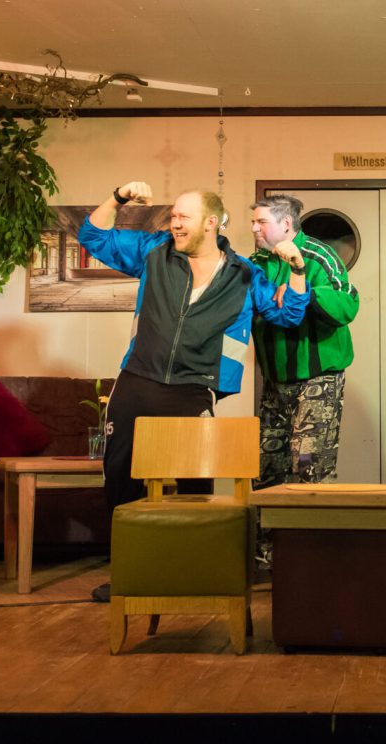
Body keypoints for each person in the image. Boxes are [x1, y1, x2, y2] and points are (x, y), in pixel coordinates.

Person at [78, 183, 311, 602]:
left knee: (194, 485)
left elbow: (288, 314)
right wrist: (117, 196)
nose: (175, 223)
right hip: (138, 380)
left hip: (195, 388)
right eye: (173, 216)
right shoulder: (154, 252)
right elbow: (92, 236)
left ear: (210, 223)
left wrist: (296, 269)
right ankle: (130, 573)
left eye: (183, 216)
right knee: (121, 481)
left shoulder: (243, 274)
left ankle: (189, 573)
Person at [246, 195, 359, 559]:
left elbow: (347, 305)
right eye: (253, 222)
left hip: (318, 381)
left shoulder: (319, 256)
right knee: (268, 468)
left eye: (261, 222)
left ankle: (313, 559)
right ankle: (270, 557)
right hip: (274, 382)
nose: (254, 228)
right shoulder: (255, 263)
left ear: (286, 224)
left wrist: (303, 291)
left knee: (309, 465)